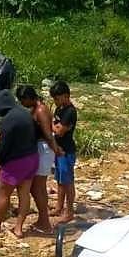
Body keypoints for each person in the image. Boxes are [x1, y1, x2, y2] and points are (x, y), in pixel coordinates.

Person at [0, 89, 38, 237]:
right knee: (24, 195)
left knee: (3, 194)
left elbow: (4, 147)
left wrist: (0, 161)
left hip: (15, 163)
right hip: (32, 158)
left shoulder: (7, 120)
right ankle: (19, 228)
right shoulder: (25, 113)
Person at [15, 85, 58, 234]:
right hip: (41, 148)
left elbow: (47, 133)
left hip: (44, 149)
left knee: (37, 187)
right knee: (37, 187)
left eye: (22, 100)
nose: (22, 103)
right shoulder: (36, 109)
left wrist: (56, 150)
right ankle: (43, 219)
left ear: (28, 98)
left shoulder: (40, 110)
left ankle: (45, 222)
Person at [50, 81, 78, 224]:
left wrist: (51, 124)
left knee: (68, 182)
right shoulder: (59, 110)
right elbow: (56, 127)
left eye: (57, 98)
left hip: (67, 151)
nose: (55, 101)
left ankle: (70, 211)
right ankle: (59, 207)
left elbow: (60, 131)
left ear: (66, 96)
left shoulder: (70, 112)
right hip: (59, 150)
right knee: (60, 181)